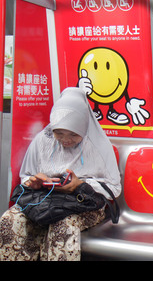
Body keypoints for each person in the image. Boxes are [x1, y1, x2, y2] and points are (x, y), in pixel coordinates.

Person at [0, 87, 121, 261]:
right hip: (48, 200)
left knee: (62, 226)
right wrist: (35, 182)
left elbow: (114, 188)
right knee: (11, 220)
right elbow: (26, 175)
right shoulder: (43, 139)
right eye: (59, 132)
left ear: (84, 128)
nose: (65, 139)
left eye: (73, 134)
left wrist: (79, 185)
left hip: (85, 204)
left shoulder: (99, 146)